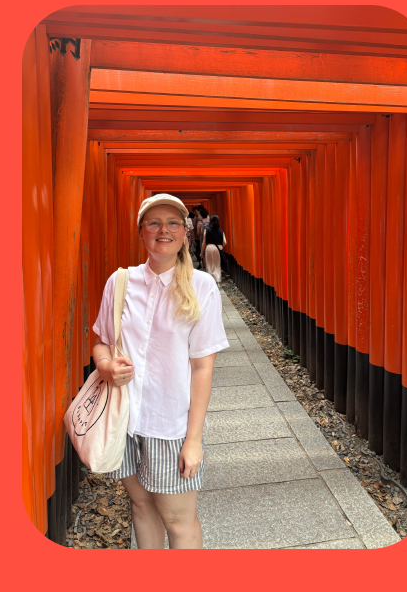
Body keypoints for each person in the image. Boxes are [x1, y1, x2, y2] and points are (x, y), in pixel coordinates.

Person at [89, 194, 229, 549]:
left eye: (172, 223)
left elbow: (202, 367)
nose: (162, 230)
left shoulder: (201, 287)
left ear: (185, 233)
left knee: (178, 520)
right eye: (153, 222)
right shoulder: (120, 283)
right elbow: (101, 342)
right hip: (123, 419)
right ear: (141, 232)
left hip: (169, 425)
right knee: (140, 505)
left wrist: (193, 440)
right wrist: (105, 365)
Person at [201, 214, 226, 283]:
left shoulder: (207, 230)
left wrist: (201, 252)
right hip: (217, 248)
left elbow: (204, 243)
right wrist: (220, 247)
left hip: (209, 248)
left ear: (210, 221)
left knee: (209, 265)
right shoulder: (221, 231)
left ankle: (210, 281)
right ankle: (216, 281)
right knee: (216, 266)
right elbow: (225, 242)